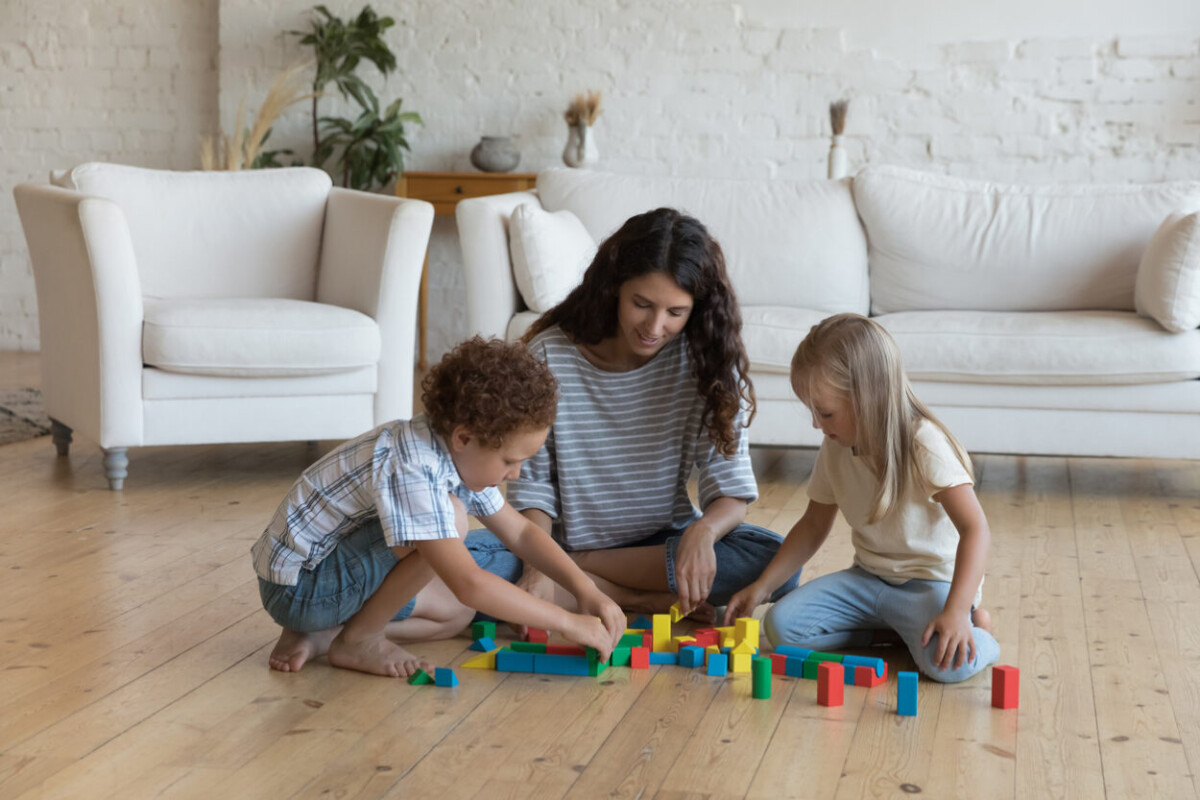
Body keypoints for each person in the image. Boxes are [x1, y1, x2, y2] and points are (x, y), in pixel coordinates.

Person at [466, 207, 799, 623]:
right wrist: (539, 568)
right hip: (553, 543)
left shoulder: (707, 363)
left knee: (775, 564)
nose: (654, 327)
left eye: (675, 313)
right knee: (440, 562)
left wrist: (704, 531)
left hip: (659, 546)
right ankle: (624, 597)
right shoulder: (551, 355)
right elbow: (533, 491)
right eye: (642, 304)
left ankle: (575, 582)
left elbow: (729, 488)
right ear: (613, 289)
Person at [251, 337, 625, 678]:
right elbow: (470, 585)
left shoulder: (457, 451)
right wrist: (568, 622)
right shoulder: (414, 464)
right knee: (454, 521)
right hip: (302, 589)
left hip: (326, 584)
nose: (516, 473)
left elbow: (523, 533)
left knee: (454, 615)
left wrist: (584, 589)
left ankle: (323, 638)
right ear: (465, 437)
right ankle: (359, 640)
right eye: (510, 461)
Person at [724, 313, 1000, 682]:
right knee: (781, 628)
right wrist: (763, 586)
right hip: (868, 580)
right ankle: (897, 633)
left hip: (930, 584)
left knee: (946, 666)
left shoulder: (924, 443)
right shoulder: (835, 446)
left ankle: (978, 630)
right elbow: (813, 524)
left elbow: (975, 529)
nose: (816, 425)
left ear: (869, 397)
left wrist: (956, 609)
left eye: (825, 413)